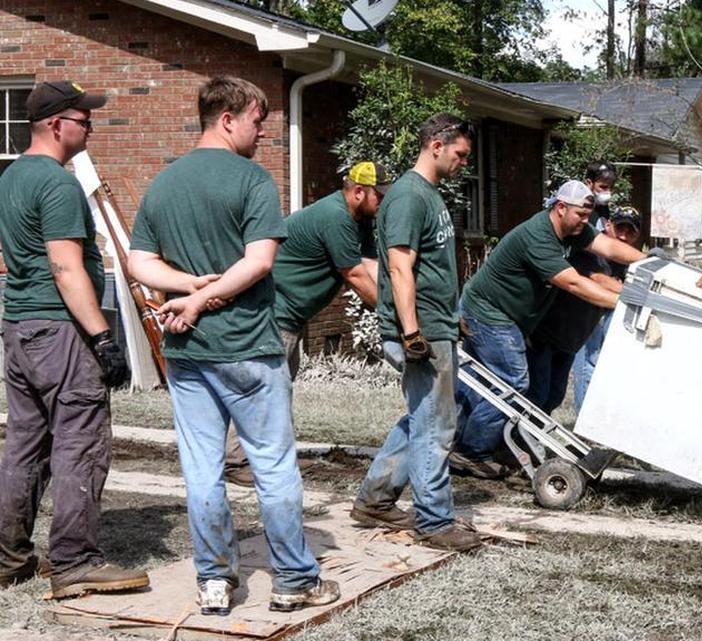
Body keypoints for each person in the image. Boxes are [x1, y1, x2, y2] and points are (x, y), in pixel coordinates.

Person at [129, 76, 338, 615]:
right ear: (227, 119)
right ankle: (294, 579)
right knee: (272, 466)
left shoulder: (164, 183)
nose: (262, 132)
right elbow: (259, 261)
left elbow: (138, 263)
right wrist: (202, 295)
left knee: (202, 469)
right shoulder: (252, 180)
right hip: (247, 348)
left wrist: (188, 288)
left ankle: (215, 582)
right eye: (256, 121)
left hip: (187, 354)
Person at [0, 80, 149, 599]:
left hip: (19, 328)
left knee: (25, 443)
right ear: (57, 125)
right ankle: (75, 562)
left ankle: (9, 556)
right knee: (81, 442)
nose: (91, 125)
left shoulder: (12, 176)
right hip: (60, 330)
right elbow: (65, 267)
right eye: (84, 119)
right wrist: (103, 338)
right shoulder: (58, 185)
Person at [351, 113, 483, 552]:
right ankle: (434, 521)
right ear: (436, 145)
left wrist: (450, 315)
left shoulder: (427, 194)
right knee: (436, 428)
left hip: (433, 323)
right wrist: (411, 333)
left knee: (422, 421)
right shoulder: (409, 196)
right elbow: (399, 266)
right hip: (419, 331)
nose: (464, 162)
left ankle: (374, 500)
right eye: (461, 154)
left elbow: (429, 269)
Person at [453, 181, 646, 477]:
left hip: (509, 317)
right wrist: (623, 303)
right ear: (560, 208)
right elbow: (574, 283)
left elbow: (607, 246)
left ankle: (477, 444)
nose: (586, 221)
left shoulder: (573, 232)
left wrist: (650, 262)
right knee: (513, 383)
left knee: (483, 384)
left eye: (588, 215)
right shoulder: (539, 237)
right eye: (581, 215)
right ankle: (470, 451)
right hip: (489, 313)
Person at [223, 160, 388, 486]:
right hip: (275, 310)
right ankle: (235, 460)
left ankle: (267, 457)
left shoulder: (361, 220)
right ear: (357, 192)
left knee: (278, 389)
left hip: (291, 316)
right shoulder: (336, 217)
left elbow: (373, 267)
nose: (383, 201)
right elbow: (354, 275)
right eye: (379, 195)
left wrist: (401, 301)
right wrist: (393, 313)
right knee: (262, 389)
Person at [526, 205, 642, 413]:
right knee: (537, 392)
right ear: (608, 226)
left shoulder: (625, 262)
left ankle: (531, 437)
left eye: (630, 231)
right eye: (620, 228)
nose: (623, 236)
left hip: (571, 338)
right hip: (546, 333)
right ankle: (513, 440)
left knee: (554, 396)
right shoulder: (588, 248)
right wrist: (637, 296)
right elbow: (596, 278)